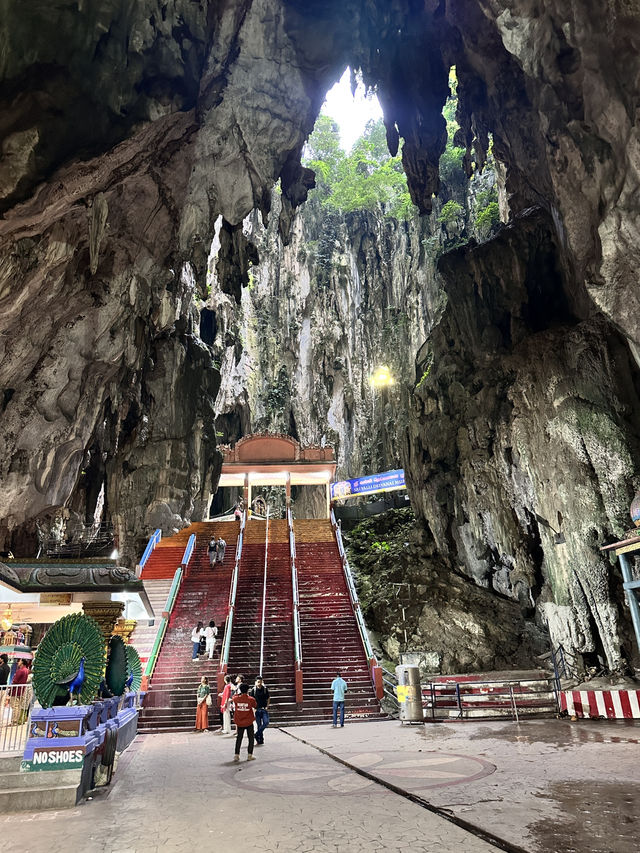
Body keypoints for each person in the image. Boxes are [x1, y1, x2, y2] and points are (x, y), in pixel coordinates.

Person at [232, 682, 257, 761]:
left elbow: (234, 696)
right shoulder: (251, 699)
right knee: (251, 738)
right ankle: (249, 755)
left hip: (239, 722)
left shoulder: (236, 698)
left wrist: (239, 694)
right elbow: (255, 705)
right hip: (249, 721)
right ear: (248, 690)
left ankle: (236, 755)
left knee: (239, 738)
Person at [250, 676, 270, 745]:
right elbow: (251, 700)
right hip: (257, 709)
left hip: (264, 709)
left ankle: (256, 734)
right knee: (259, 725)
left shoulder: (265, 689)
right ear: (255, 682)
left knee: (266, 722)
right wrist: (253, 709)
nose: (259, 683)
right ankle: (260, 739)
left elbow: (268, 698)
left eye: (260, 682)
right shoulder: (253, 690)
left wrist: (267, 706)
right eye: (258, 682)